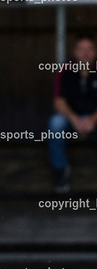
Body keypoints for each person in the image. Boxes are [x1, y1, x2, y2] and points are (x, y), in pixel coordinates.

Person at [47, 34, 97, 193]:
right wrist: (75, 119)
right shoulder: (65, 71)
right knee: (55, 123)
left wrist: (92, 120)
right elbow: (58, 102)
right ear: (74, 52)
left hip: (95, 119)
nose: (85, 53)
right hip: (71, 119)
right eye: (81, 49)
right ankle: (60, 170)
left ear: (95, 52)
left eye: (89, 49)